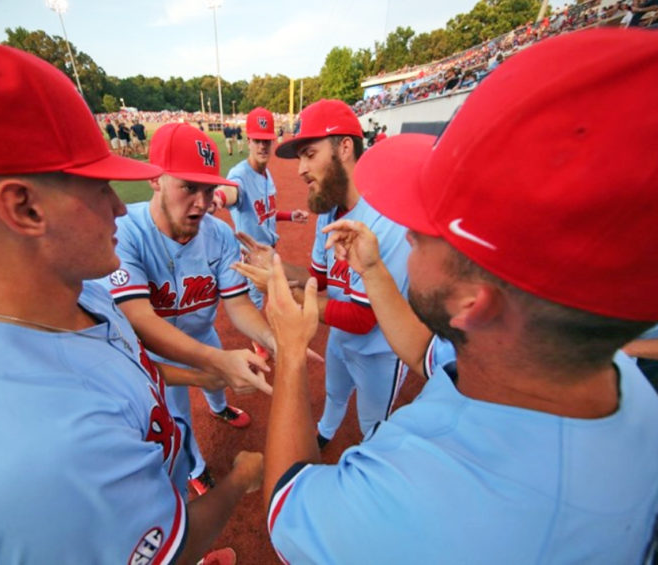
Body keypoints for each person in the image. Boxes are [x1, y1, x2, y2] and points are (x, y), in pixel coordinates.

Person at [263, 29, 658, 563]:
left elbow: (286, 509)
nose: (408, 233)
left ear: (475, 302)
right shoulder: (587, 372)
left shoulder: (419, 496)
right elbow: (427, 350)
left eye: (426, 228)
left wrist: (290, 353)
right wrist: (374, 269)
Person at [0, 32, 261, 564]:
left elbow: (125, 374)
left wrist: (206, 375)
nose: (117, 206)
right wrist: (240, 479)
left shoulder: (76, 290)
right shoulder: (34, 455)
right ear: (24, 209)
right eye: (97, 184)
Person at [98, 122, 276, 496]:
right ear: (156, 180)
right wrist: (214, 362)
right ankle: (195, 465)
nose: (202, 201)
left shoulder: (219, 233)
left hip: (201, 333)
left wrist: (274, 340)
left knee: (216, 383)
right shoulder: (125, 231)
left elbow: (238, 304)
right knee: (176, 416)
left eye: (209, 188)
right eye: (188, 187)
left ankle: (219, 408)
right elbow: (140, 319)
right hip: (154, 352)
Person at [234, 99, 412, 448]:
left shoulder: (385, 218)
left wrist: (280, 287)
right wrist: (275, 265)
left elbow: (363, 318)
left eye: (309, 154)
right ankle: (326, 432)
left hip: (380, 351)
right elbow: (320, 280)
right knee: (333, 394)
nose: (300, 168)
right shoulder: (329, 210)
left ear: (344, 147)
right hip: (341, 338)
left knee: (373, 427)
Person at [213, 106, 309, 314]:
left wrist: (290, 215)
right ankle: (260, 346)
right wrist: (219, 197)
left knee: (276, 294)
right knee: (256, 302)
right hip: (253, 256)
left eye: (266, 141)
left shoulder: (267, 174)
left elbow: (266, 214)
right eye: (257, 141)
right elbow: (232, 190)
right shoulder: (239, 174)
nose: (262, 146)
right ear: (248, 141)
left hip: (270, 251)